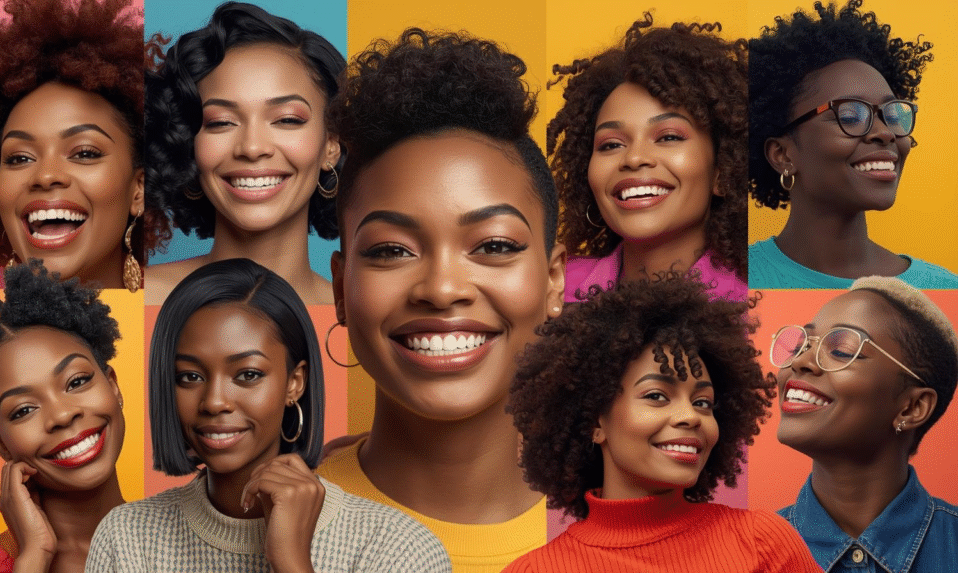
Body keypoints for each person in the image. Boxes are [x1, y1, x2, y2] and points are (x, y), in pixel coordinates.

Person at [318, 28, 566, 572]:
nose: (442, 287)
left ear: (553, 282)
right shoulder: (267, 524)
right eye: (390, 250)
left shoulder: (633, 530)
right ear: (341, 289)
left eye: (495, 246)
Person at [85, 259, 449, 572]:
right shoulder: (127, 538)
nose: (214, 402)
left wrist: (291, 561)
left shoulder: (398, 549)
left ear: (295, 383)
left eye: (247, 375)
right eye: (190, 377)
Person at [503, 278, 820, 572]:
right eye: (656, 395)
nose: (691, 416)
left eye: (703, 403)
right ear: (595, 422)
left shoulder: (762, 544)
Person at [0, 0, 157, 291]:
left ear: (138, 189)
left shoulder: (174, 323)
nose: (45, 175)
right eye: (19, 158)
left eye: (85, 153)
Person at [144, 2, 344, 305]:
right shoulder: (139, 301)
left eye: (287, 120)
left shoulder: (356, 323)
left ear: (330, 145)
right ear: (189, 145)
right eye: (221, 122)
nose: (252, 148)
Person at [748, 0, 957, 288]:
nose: (885, 133)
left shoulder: (945, 290)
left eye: (893, 114)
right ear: (782, 154)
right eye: (851, 114)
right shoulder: (734, 283)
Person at [0, 260, 127, 572]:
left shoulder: (193, 545)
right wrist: (34, 556)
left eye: (77, 382)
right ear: (0, 444)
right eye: (24, 410)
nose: (62, 415)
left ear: (113, 386)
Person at [548, 14, 747, 302]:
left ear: (722, 171)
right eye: (611, 144)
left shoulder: (756, 303)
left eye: (668, 137)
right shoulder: (550, 291)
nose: (634, 158)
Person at [770, 276, 958, 571]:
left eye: (842, 351)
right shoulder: (747, 553)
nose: (801, 360)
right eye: (800, 346)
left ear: (912, 407)